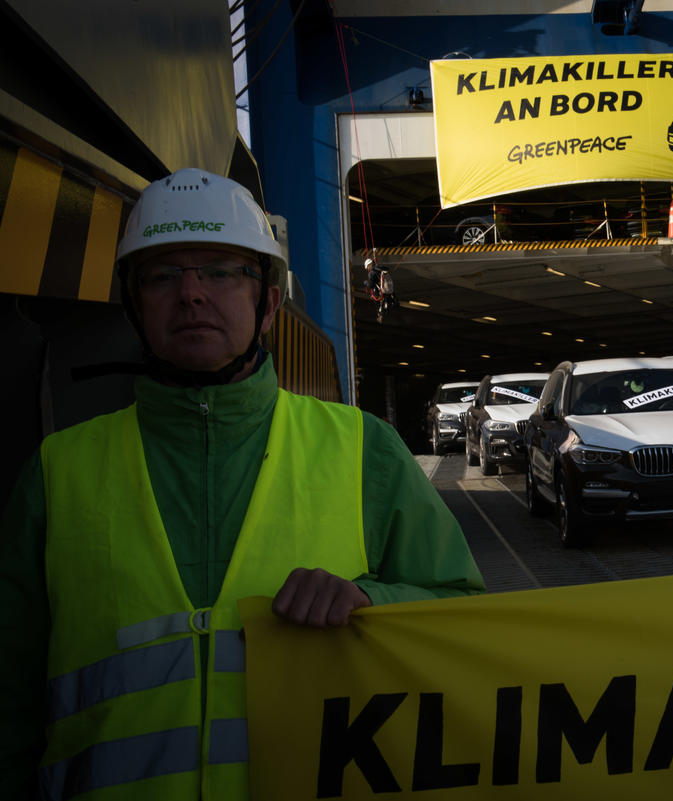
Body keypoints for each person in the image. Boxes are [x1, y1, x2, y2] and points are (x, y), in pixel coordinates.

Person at [0, 168, 486, 800]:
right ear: (134, 304)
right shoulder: (55, 474)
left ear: (269, 304)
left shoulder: (367, 451)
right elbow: (10, 702)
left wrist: (373, 604)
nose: (192, 293)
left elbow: (465, 618)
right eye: (163, 274)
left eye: (223, 271)